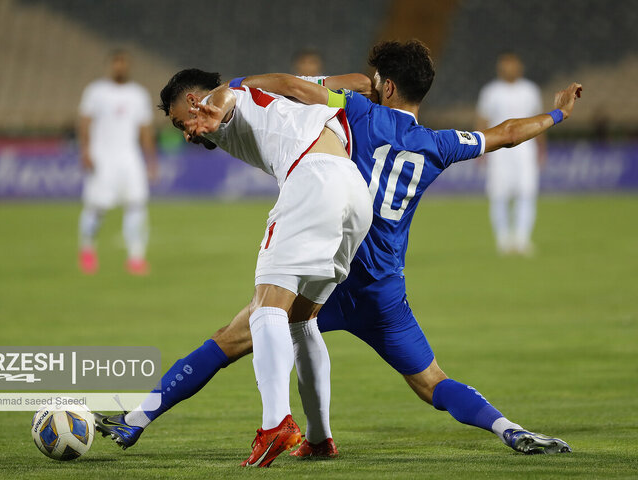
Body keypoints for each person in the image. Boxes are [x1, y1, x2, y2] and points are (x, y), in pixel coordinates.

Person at [96, 41, 581, 460]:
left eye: (376, 80)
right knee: (432, 380)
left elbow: (299, 88)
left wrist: (242, 83)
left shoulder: (358, 112)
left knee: (233, 338)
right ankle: (507, 428)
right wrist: (558, 113)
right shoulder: (440, 143)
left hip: (330, 261)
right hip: (383, 287)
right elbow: (507, 133)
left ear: (386, 87)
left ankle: (144, 418)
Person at [95, 68, 374, 467]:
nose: (188, 133)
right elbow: (347, 81)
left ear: (194, 101)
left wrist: (213, 110)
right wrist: (372, 85)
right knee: (300, 321)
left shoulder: (232, 93)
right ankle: (318, 437)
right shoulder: (268, 93)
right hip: (352, 192)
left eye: (183, 122)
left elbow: (226, 97)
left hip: (313, 182)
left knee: (266, 309)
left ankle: (276, 423)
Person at [77, 49, 158, 275]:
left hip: (129, 156)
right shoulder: (95, 92)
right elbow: (85, 122)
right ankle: (87, 250)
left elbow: (145, 129)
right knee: (96, 206)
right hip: (102, 156)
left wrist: (150, 159)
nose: (119, 67)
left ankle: (135, 258)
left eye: (123, 63)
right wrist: (85, 151)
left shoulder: (138, 94)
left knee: (137, 203)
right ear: (110, 65)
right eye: (116, 63)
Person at [476, 53, 545, 256]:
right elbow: (482, 120)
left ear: (519, 67)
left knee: (527, 192)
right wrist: (481, 151)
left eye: (512, 65)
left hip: (525, 149)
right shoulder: (490, 92)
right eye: (505, 65)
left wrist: (542, 147)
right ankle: (503, 239)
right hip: (498, 151)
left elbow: (539, 122)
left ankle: (522, 239)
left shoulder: (530, 90)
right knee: (499, 195)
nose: (509, 69)